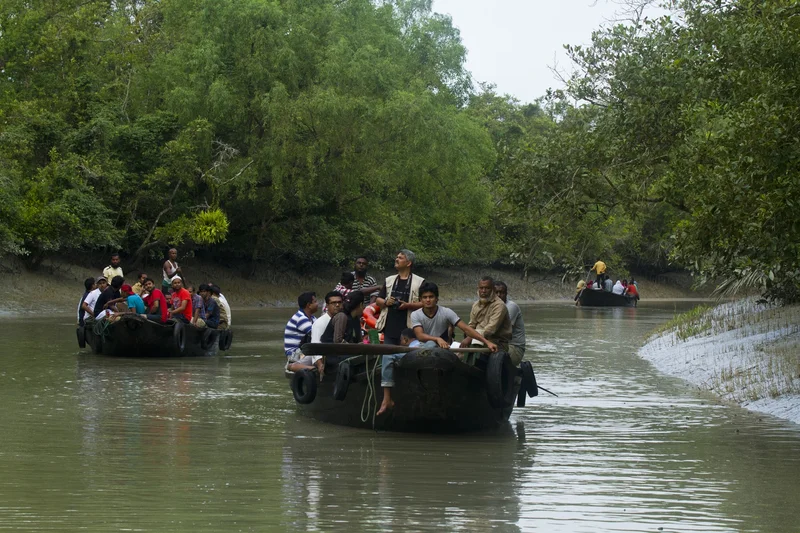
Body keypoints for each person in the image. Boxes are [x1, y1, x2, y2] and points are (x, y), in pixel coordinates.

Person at [375, 249, 425, 345]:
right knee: (388, 356)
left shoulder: (419, 282)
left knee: (407, 357)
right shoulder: (389, 280)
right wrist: (386, 302)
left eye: (400, 258)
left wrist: (408, 305)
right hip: (390, 327)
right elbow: (378, 300)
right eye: (397, 257)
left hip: (410, 328)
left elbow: (425, 303)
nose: (396, 259)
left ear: (408, 263)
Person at [377, 328, 423, 416]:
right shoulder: (426, 344)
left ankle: (387, 398)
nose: (400, 343)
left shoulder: (412, 348)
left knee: (387, 357)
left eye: (401, 341)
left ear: (405, 340)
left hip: (415, 355)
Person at [460, 276, 512, 352]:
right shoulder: (475, 305)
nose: (483, 291)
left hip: (497, 343)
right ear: (478, 289)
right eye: (481, 288)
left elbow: (490, 329)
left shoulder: (499, 305)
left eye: (487, 288)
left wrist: (471, 337)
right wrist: (468, 335)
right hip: (476, 340)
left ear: (493, 290)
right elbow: (471, 325)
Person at [284, 292, 320, 373]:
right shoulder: (300, 318)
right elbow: (315, 334)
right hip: (294, 353)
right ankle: (309, 368)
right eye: (315, 302)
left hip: (302, 350)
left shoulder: (312, 318)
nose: (318, 304)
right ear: (309, 305)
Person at [494, 281, 526, 365]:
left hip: (514, 347)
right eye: (496, 292)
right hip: (498, 344)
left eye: (501, 293)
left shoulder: (511, 307)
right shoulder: (489, 307)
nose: (498, 295)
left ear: (506, 294)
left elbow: (499, 330)